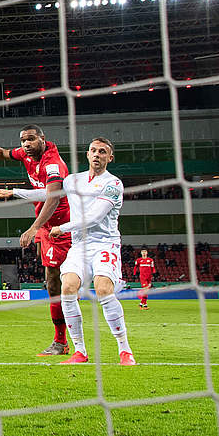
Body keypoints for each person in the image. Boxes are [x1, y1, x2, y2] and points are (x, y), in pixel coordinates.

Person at [0, 125, 71, 356]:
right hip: (46, 227)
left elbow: (53, 197)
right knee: (52, 282)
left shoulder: (52, 163)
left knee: (60, 283)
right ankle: (61, 341)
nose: (26, 144)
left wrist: (33, 228)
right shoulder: (26, 154)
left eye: (31, 139)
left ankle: (65, 341)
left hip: (62, 227)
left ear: (43, 139)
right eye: (23, 140)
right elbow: (4, 153)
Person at [35, 137, 136, 366]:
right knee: (67, 288)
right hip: (80, 246)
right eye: (93, 150)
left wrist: (63, 228)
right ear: (87, 154)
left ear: (110, 157)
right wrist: (14, 194)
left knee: (103, 289)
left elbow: (95, 217)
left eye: (102, 151)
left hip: (104, 243)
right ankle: (79, 351)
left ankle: (124, 350)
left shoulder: (114, 184)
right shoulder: (72, 180)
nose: (97, 155)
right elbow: (47, 195)